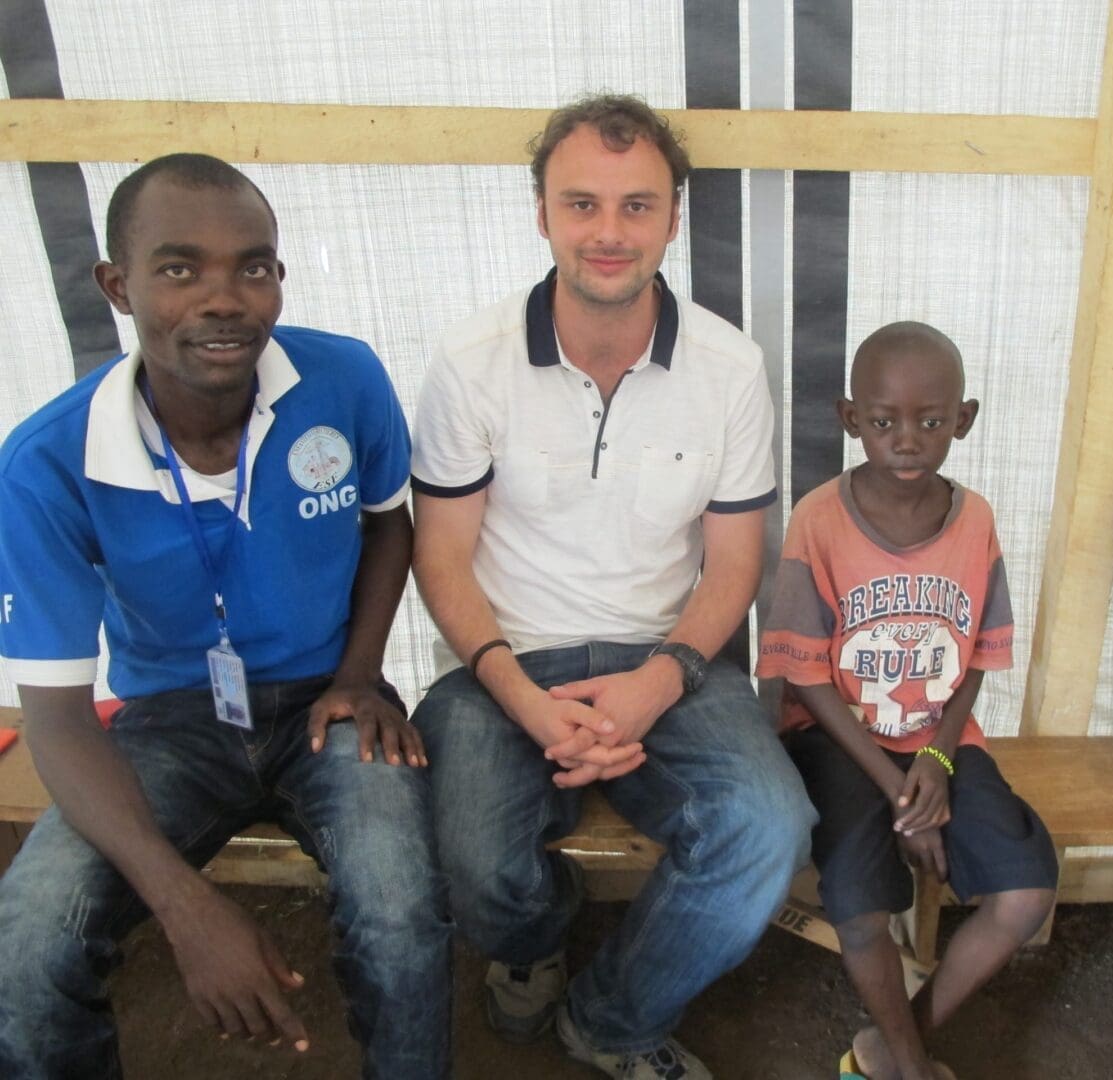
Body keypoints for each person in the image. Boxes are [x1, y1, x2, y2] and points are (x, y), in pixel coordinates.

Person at [0, 154, 451, 1078]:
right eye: (178, 269)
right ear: (117, 287)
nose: (223, 298)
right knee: (32, 932)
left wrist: (362, 676)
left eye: (252, 266)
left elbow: (387, 524)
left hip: (331, 699)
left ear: (279, 278)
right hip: (171, 721)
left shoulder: (341, 379)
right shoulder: (48, 461)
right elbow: (53, 717)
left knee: (403, 912)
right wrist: (184, 905)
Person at [408, 94, 814, 1080]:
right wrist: (524, 699)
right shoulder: (472, 364)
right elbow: (442, 558)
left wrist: (660, 680)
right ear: (540, 212)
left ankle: (613, 1017)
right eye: (581, 204)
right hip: (505, 665)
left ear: (674, 218)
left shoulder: (728, 367)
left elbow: (733, 564)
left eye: (637, 206)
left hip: (665, 657)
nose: (608, 232)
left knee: (769, 828)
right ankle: (533, 941)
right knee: (475, 862)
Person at [757, 322, 1058, 1080]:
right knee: (859, 908)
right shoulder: (818, 521)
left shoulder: (976, 520)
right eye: (884, 421)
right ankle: (916, 1069)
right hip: (838, 742)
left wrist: (933, 757)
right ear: (850, 417)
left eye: (931, 422)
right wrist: (902, 794)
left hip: (939, 740)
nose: (907, 441)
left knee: (1026, 892)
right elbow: (805, 675)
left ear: (964, 418)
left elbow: (980, 656)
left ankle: (897, 1049)